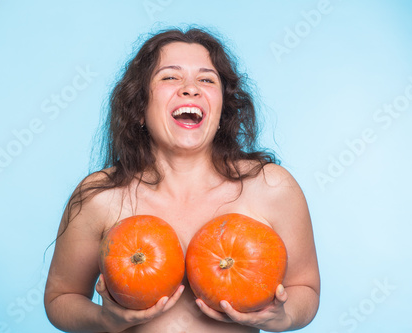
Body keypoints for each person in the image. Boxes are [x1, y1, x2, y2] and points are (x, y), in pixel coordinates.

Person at [44, 27, 320, 333]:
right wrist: (105, 320)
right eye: (170, 77)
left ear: (222, 111)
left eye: (206, 79)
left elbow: (305, 289)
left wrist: (283, 317)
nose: (191, 88)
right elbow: (61, 298)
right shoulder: (99, 197)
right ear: (139, 106)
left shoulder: (271, 187)